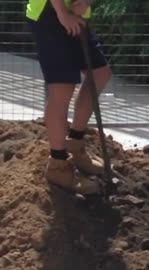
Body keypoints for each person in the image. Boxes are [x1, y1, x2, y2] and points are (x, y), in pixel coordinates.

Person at [26, 0, 112, 195]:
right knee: (62, 88)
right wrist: (62, 14)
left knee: (100, 74)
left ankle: (76, 143)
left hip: (77, 15)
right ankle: (57, 164)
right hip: (49, 14)